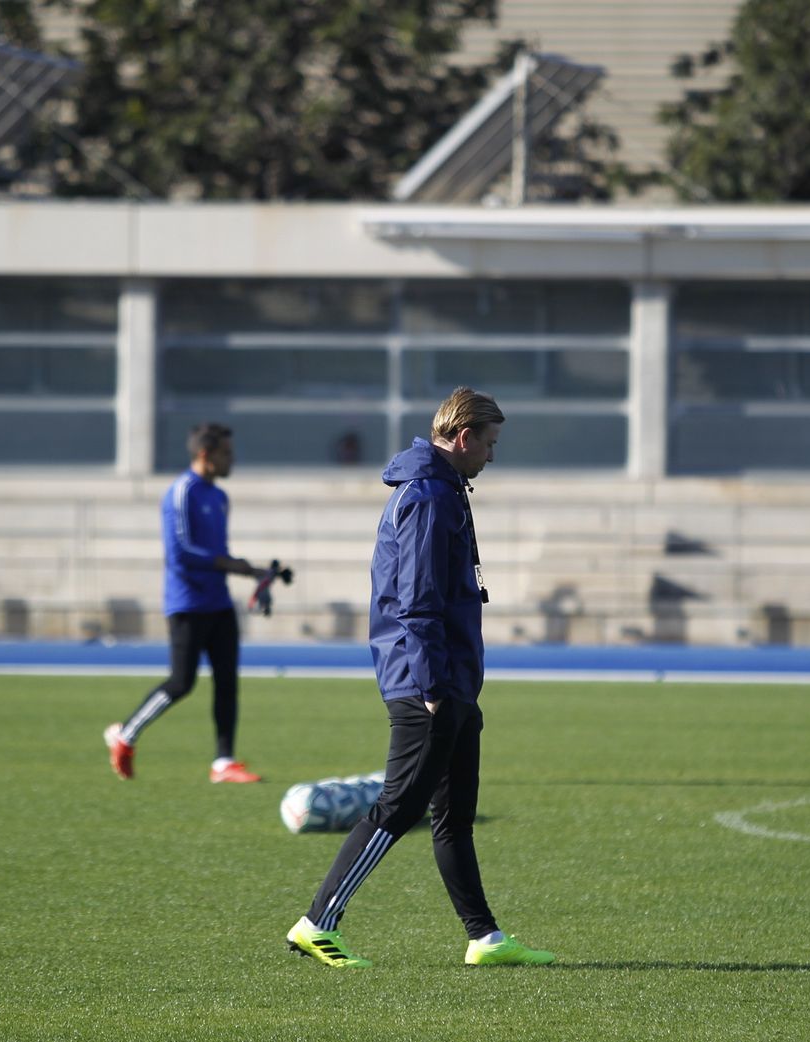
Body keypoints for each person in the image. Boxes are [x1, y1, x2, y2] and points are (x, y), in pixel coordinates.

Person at [285, 387, 555, 969]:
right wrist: (434, 686)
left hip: (448, 679)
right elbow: (417, 600)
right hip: (426, 681)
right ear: (462, 438)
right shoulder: (430, 496)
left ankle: (484, 937)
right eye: (489, 442)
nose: (491, 455)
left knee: (454, 815)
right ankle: (316, 922)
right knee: (398, 808)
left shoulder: (443, 489)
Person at [103, 423, 275, 784]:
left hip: (218, 602)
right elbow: (181, 552)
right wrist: (234, 565)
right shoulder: (182, 492)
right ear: (204, 455)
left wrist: (254, 572)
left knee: (227, 682)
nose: (232, 460)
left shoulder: (219, 497)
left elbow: (217, 553)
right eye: (226, 453)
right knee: (182, 682)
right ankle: (126, 734)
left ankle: (223, 762)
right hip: (187, 604)